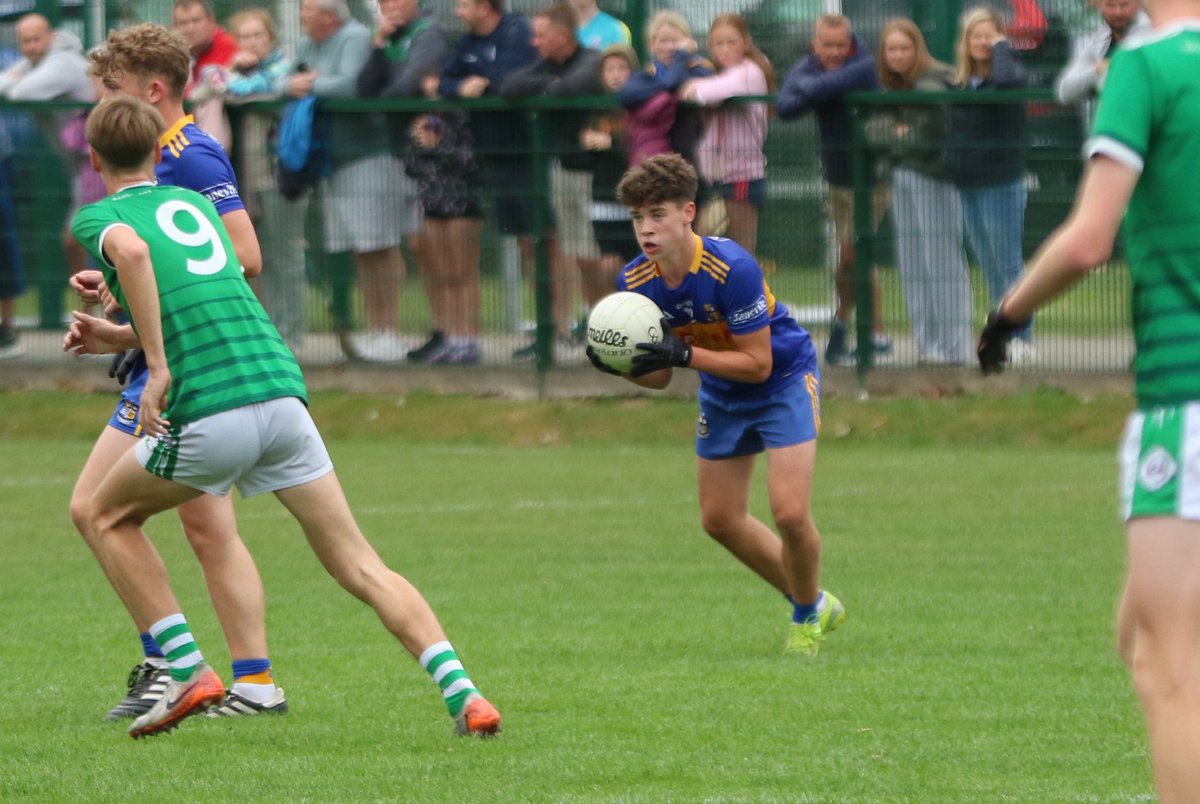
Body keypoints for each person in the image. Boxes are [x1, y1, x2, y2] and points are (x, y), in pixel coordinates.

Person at [65, 95, 503, 740]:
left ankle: (187, 668)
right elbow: (206, 302)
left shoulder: (100, 215)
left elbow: (131, 255)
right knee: (360, 563)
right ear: (161, 153)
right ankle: (466, 695)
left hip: (213, 407)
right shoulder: (189, 206)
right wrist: (120, 335)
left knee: (103, 515)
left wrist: (156, 366)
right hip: (279, 392)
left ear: (94, 156)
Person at [976, 2, 1200, 797]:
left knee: (1167, 671)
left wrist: (1008, 313)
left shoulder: (1147, 64)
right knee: (1136, 633)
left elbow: (1087, 238)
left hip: (1188, 397)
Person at [68, 22, 278, 722]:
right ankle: (249, 682)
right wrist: (117, 286)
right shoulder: (162, 156)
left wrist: (148, 287)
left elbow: (244, 256)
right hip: (172, 358)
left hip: (184, 365)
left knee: (96, 509)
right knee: (204, 526)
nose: (103, 106)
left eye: (114, 90)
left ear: (152, 91)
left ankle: (178, 666)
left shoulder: (190, 155)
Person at [587, 152, 846, 657]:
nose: (646, 228)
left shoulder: (732, 269)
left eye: (658, 214)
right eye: (638, 216)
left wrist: (684, 352)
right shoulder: (636, 282)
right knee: (720, 520)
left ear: (689, 212)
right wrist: (620, 363)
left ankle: (803, 618)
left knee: (790, 514)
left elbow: (758, 364)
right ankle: (815, 600)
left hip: (783, 381)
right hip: (724, 393)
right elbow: (661, 376)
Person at [289, 0, 422, 363]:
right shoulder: (305, 44)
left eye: (308, 9)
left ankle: (390, 331)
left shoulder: (356, 37)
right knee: (362, 250)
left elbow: (349, 86)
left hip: (369, 155)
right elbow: (289, 78)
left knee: (382, 244)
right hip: (332, 161)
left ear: (329, 16)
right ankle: (374, 330)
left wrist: (311, 82)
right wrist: (302, 82)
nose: (301, 14)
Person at [776, 13, 891, 368]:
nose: (836, 52)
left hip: (870, 178)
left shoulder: (865, 64)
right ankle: (841, 327)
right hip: (837, 178)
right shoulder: (811, 65)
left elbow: (810, 91)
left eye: (842, 45)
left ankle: (877, 336)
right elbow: (785, 106)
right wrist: (819, 87)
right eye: (828, 46)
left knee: (858, 254)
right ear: (816, 44)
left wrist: (816, 87)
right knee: (846, 261)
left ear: (851, 43)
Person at [432, 0, 537, 355]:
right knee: (522, 240)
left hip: (529, 155)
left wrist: (482, 83)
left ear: (484, 6)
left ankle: (553, 332)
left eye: (464, 4)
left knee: (537, 243)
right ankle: (462, 340)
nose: (459, 11)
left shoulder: (515, 31)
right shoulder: (468, 41)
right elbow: (444, 81)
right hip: (492, 158)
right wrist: (461, 88)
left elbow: (511, 80)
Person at [867, 18, 972, 366]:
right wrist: (896, 134)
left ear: (917, 49)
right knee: (912, 263)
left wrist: (900, 136)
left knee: (942, 262)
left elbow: (928, 136)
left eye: (904, 48)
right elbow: (872, 130)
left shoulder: (934, 80)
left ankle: (955, 348)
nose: (898, 55)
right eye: (891, 49)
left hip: (935, 178)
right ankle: (928, 347)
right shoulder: (890, 85)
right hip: (902, 176)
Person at [501, 3, 604, 358]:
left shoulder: (590, 59)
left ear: (563, 36)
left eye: (542, 35)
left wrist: (549, 88)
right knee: (570, 250)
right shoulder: (547, 65)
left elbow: (575, 86)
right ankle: (565, 329)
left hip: (593, 172)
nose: (536, 42)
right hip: (560, 171)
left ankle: (602, 325)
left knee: (594, 255)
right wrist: (548, 84)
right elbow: (511, 87)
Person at [355, 0, 448, 362]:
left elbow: (408, 86)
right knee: (419, 244)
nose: (388, 6)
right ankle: (438, 332)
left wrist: (383, 97)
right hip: (401, 155)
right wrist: (378, 45)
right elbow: (365, 88)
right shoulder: (389, 37)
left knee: (434, 247)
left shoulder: (429, 32)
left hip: (434, 157)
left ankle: (450, 333)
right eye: (382, 2)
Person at [945, 7, 1034, 364]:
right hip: (968, 185)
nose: (982, 42)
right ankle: (1003, 336)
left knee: (1008, 263)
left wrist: (1001, 48)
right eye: (975, 36)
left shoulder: (1007, 74)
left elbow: (1012, 80)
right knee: (989, 264)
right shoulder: (959, 83)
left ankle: (1023, 338)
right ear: (965, 42)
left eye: (990, 35)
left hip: (1001, 183)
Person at [218, 8, 309, 351]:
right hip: (245, 179)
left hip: (281, 176)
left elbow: (256, 90)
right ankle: (262, 335)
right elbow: (217, 87)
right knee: (253, 259)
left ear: (270, 38)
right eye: (244, 37)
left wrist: (239, 79)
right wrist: (233, 75)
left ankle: (292, 338)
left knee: (286, 256)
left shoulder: (283, 69)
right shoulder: (237, 69)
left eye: (258, 35)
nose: (252, 43)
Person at [0, 13, 96, 284]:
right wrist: (16, 77)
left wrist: (14, 79)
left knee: (76, 237)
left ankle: (98, 311)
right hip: (79, 165)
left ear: (51, 37)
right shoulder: (35, 62)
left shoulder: (62, 62)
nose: (31, 47)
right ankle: (93, 311)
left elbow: (20, 93)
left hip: (98, 164)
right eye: (25, 41)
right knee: (79, 239)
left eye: (36, 40)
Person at [679, 14, 774, 256]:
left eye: (731, 42)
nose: (724, 49)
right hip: (713, 177)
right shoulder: (716, 72)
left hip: (742, 174)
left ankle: (754, 295)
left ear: (746, 42)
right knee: (706, 250)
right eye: (718, 43)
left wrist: (692, 89)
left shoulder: (749, 71)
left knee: (742, 253)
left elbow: (712, 94)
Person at [404, 112, 485, 364]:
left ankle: (469, 338)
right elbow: (410, 167)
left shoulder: (464, 120)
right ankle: (451, 337)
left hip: (462, 205)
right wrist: (417, 142)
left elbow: (469, 163)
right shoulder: (423, 119)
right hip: (431, 205)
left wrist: (439, 145)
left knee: (463, 272)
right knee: (444, 273)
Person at [578, 44, 640, 313]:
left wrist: (612, 142)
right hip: (602, 199)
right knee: (608, 265)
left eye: (622, 68)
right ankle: (614, 318)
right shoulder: (594, 108)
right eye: (609, 69)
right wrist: (584, 142)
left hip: (634, 201)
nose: (616, 75)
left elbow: (641, 145)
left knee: (638, 266)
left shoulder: (640, 105)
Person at [616, 11, 713, 176]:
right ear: (651, 45)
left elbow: (674, 82)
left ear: (687, 42)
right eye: (663, 41)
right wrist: (665, 84)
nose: (669, 47)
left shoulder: (699, 70)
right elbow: (624, 95)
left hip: (692, 160)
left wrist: (681, 58)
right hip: (654, 159)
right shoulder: (646, 75)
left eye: (675, 41)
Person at [1056, 0, 1149, 110]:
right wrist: (1096, 71)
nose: (1117, 12)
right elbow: (1065, 92)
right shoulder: (1101, 38)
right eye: (1110, 5)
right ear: (1097, 5)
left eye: (1124, 5)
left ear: (1138, 4)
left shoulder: (1151, 34)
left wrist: (1108, 68)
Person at [172, 0, 238, 96]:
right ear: (174, 27)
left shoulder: (228, 45)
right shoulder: (172, 52)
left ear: (211, 21)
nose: (190, 29)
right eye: (183, 23)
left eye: (196, 21)